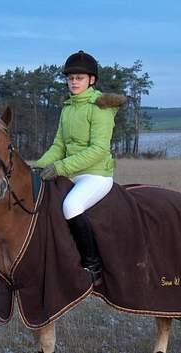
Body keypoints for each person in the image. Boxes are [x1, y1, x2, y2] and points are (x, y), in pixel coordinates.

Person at [35, 50, 126, 283]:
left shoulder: (100, 107)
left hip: (95, 175)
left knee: (71, 205)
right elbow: (58, 145)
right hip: (70, 172)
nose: (73, 82)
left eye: (79, 78)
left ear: (91, 80)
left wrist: (60, 168)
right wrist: (38, 167)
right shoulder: (68, 107)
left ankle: (92, 265)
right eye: (70, 78)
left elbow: (98, 150)